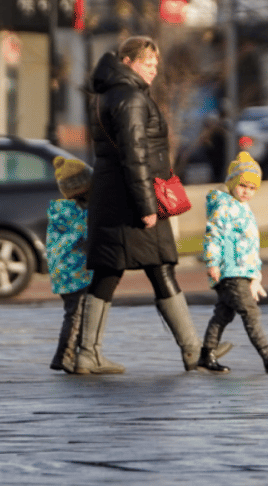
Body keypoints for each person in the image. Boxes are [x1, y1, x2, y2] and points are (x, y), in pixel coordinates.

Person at [77, 36, 209, 374]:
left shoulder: (110, 93)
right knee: (155, 266)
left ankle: (87, 353)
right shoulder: (130, 98)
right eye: (146, 62)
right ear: (126, 61)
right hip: (131, 201)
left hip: (113, 199)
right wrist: (146, 205)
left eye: (155, 64)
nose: (153, 69)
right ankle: (193, 351)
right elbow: (135, 155)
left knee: (116, 270)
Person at [196, 151, 268, 375]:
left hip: (240, 271)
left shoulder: (244, 209)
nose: (247, 192)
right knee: (250, 313)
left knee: (223, 315)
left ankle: (206, 355)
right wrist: (212, 263)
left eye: (252, 188)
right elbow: (213, 235)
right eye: (243, 186)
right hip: (230, 271)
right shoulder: (225, 206)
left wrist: (255, 276)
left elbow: (250, 247)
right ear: (232, 183)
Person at [46, 156, 96, 373]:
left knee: (72, 313)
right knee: (75, 315)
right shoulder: (78, 213)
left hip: (61, 272)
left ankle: (66, 354)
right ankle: (63, 356)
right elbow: (86, 233)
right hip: (75, 273)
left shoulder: (60, 210)